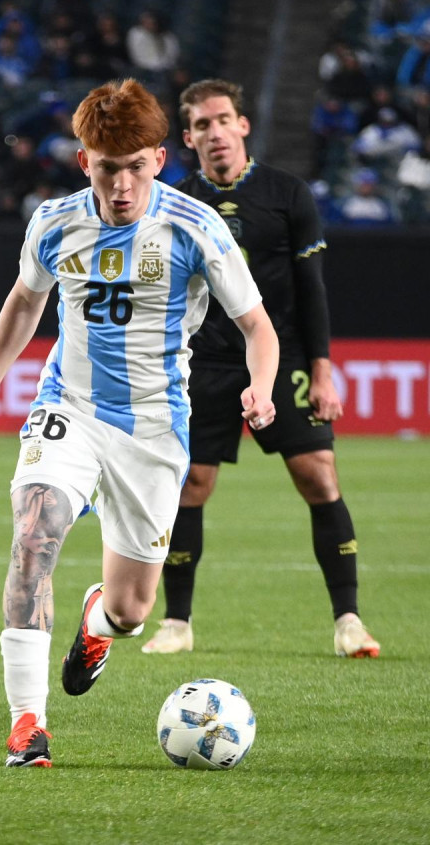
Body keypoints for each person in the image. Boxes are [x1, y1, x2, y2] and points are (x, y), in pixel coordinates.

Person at [0, 78, 278, 767]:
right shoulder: (54, 221)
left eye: (136, 167)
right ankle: (27, 724)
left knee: (134, 610)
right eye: (108, 168)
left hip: (155, 430)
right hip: (67, 406)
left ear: (160, 158)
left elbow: (257, 325)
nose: (123, 185)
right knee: (33, 535)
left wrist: (261, 384)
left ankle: (99, 622)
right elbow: (23, 302)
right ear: (85, 163)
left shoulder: (195, 227)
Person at [140, 78, 382, 658]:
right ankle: (177, 623)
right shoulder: (178, 204)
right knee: (192, 485)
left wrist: (321, 371)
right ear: (189, 139)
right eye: (201, 124)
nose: (214, 132)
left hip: (286, 355)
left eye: (223, 119)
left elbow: (312, 288)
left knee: (318, 474)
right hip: (207, 362)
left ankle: (348, 619)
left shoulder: (288, 194)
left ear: (243, 125)